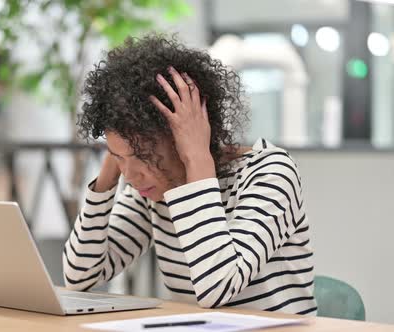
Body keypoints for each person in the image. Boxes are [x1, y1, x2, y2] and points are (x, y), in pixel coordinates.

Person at [62, 34, 316, 315]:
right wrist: (113, 170)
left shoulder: (269, 173)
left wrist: (197, 158)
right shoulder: (152, 190)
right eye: (118, 158)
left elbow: (216, 288)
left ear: (183, 136)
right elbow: (79, 276)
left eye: (142, 157)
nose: (131, 177)